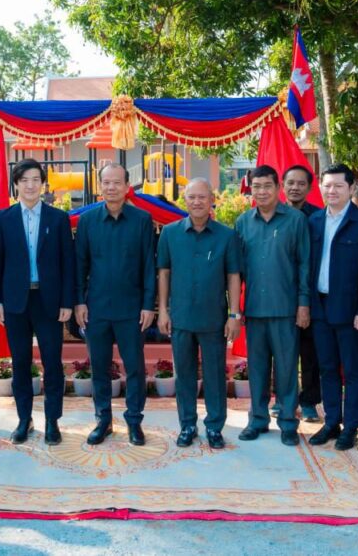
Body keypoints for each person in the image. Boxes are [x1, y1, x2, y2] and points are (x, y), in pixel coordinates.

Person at [0, 159, 76, 445]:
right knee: (20, 362)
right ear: (16, 184)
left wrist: (67, 301)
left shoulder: (58, 218)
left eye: (35, 180)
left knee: (52, 362)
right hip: (15, 302)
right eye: (24, 180)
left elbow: (68, 263)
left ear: (42, 184)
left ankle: (52, 421)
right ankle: (24, 419)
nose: (30, 185)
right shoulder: (3, 218)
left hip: (48, 301)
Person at [75, 163, 156, 446]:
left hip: (132, 310)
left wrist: (149, 305)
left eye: (116, 182)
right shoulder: (87, 221)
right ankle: (103, 421)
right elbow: (80, 265)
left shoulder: (142, 220)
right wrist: (79, 302)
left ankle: (134, 421)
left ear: (127, 186)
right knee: (99, 367)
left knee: (135, 368)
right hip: (95, 308)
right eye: (106, 182)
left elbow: (149, 266)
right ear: (100, 186)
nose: (111, 187)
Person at [157, 178, 241, 449]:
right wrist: (163, 311)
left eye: (202, 197)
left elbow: (233, 276)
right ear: (184, 201)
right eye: (191, 197)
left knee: (215, 375)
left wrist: (234, 315)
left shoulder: (226, 235)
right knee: (184, 375)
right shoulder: (170, 233)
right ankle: (188, 425)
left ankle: (214, 427)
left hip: (213, 318)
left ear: (211, 199)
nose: (196, 202)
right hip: (180, 317)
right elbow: (164, 273)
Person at [234, 165, 310, 446]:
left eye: (267, 186)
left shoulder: (295, 220)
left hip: (286, 309)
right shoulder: (243, 222)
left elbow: (304, 264)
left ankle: (288, 422)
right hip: (254, 309)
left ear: (278, 188)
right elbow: (236, 271)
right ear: (250, 189)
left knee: (287, 368)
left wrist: (303, 304)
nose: (262, 191)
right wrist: (235, 309)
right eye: (256, 186)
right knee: (256, 368)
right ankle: (257, 419)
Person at [306, 165, 358, 451]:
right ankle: (331, 421)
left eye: (338, 186)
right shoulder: (314, 221)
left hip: (351, 311)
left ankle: (351, 426)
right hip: (320, 307)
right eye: (327, 185)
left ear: (351, 189)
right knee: (326, 368)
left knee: (353, 370)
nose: (332, 191)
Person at [281, 164, 321, 423]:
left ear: (309, 187)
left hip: (312, 295)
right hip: (281, 294)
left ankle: (309, 402)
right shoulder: (273, 215)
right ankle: (283, 400)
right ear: (282, 186)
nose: (295, 187)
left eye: (301, 183)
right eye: (290, 183)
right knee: (282, 352)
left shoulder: (318, 218)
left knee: (310, 353)